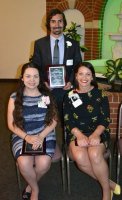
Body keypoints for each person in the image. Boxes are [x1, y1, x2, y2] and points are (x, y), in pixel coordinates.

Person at [63, 62, 121, 200]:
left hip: (98, 132)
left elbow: (105, 119)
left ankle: (106, 193)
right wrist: (79, 135)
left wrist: (95, 134)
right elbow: (67, 120)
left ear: (92, 77)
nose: (84, 77)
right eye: (81, 74)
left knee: (94, 154)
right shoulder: (70, 95)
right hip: (76, 133)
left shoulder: (100, 94)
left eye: (88, 74)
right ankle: (109, 184)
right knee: (81, 157)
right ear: (76, 76)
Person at [7, 62, 58, 200]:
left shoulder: (46, 96)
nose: (32, 80)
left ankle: (29, 186)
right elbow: (11, 125)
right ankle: (35, 189)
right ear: (22, 78)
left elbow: (53, 121)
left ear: (40, 78)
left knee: (43, 164)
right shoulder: (14, 97)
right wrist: (27, 137)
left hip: (45, 133)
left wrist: (40, 136)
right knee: (23, 163)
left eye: (36, 76)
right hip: (22, 134)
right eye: (28, 76)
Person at [32, 8, 82, 124]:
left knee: (70, 118)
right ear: (48, 24)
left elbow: (77, 66)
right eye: (53, 21)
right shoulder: (40, 44)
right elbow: (36, 66)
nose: (57, 25)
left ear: (64, 23)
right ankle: (47, 138)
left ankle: (68, 137)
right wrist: (43, 82)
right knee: (44, 117)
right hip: (46, 88)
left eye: (60, 21)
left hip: (67, 89)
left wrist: (70, 81)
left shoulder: (73, 44)